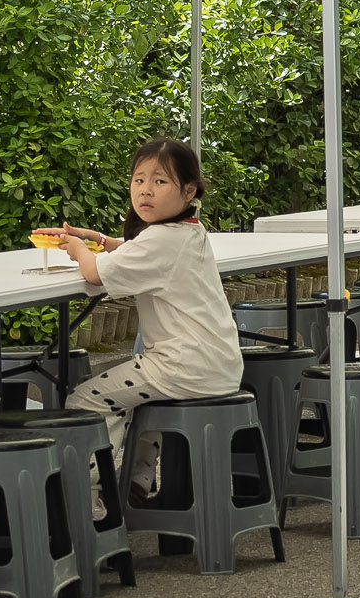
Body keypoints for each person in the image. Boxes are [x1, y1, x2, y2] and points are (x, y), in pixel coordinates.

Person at [48, 138, 242, 497]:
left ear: (189, 190)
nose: (145, 191)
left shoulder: (162, 240)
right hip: (218, 365)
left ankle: (89, 500)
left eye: (159, 181)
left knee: (85, 399)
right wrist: (100, 240)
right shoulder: (189, 230)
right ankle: (138, 475)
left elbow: (93, 275)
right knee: (142, 393)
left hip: (184, 367)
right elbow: (138, 253)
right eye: (138, 180)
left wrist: (76, 249)